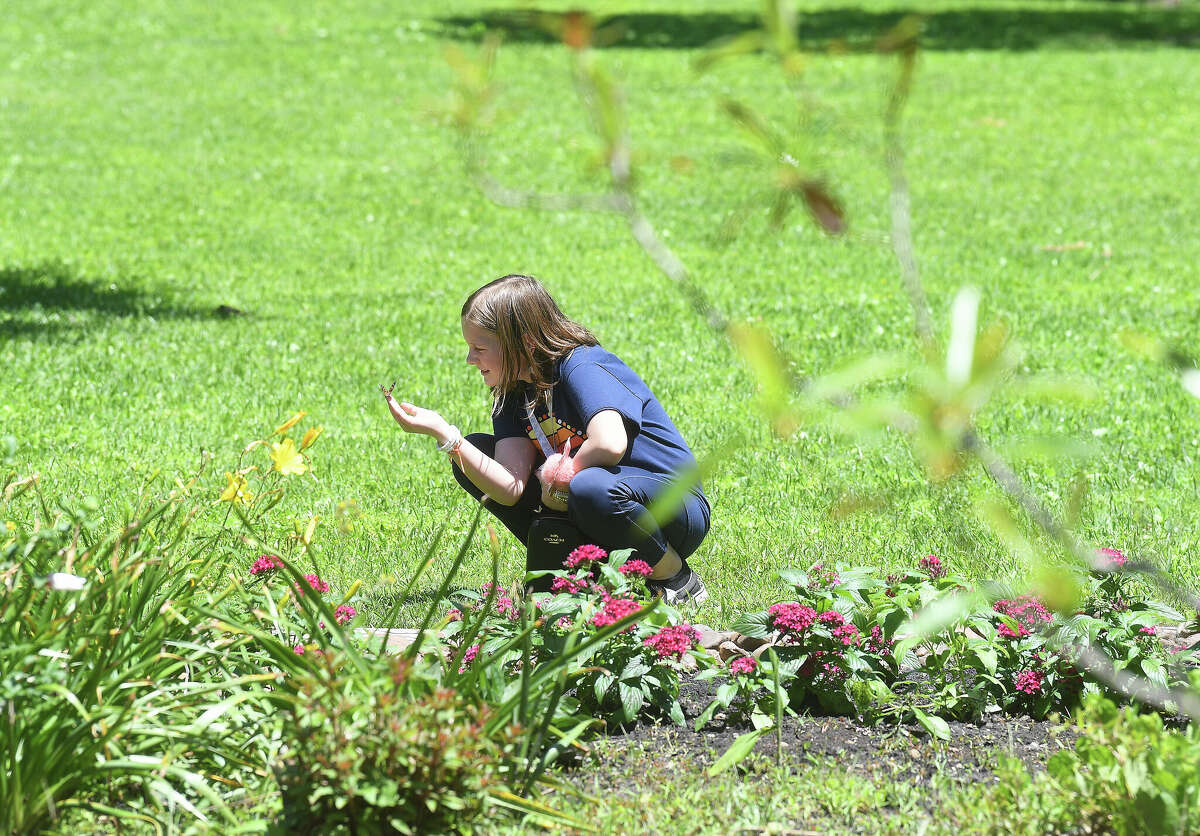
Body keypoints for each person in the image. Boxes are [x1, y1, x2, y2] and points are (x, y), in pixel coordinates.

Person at [381, 274, 710, 604]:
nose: (470, 359)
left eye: (479, 348)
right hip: (597, 502)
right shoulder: (512, 392)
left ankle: (677, 579)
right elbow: (510, 488)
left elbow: (610, 444)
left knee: (589, 486)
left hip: (670, 510)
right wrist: (447, 436)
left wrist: (558, 482)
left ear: (524, 343)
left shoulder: (582, 365)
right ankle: (583, 577)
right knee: (474, 453)